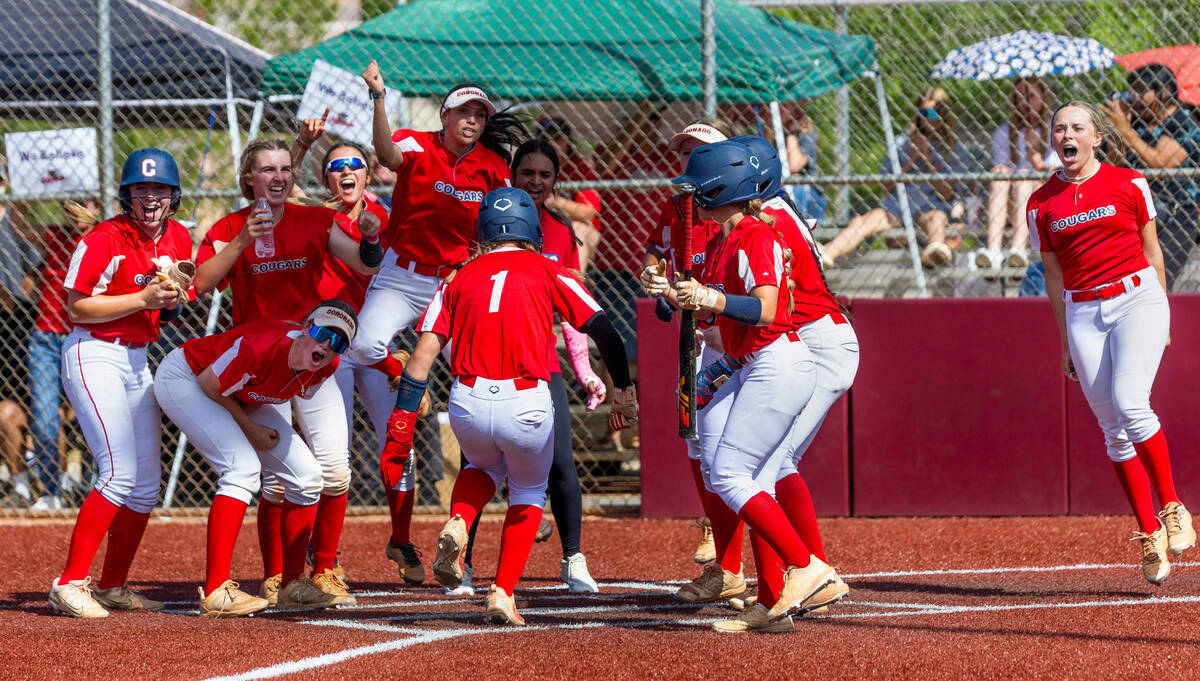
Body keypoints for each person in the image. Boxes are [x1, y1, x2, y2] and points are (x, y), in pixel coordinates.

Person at [383, 187, 638, 625]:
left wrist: (404, 416)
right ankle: (502, 592)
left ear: (483, 231)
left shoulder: (457, 276)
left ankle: (461, 518)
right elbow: (604, 329)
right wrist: (622, 388)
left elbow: (422, 356)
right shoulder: (549, 269)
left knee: (480, 469)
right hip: (527, 399)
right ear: (532, 229)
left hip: (468, 400)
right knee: (526, 491)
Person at [647, 141, 838, 632]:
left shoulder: (756, 234)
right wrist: (671, 291)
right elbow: (713, 314)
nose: (690, 199)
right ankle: (773, 605)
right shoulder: (721, 240)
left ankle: (807, 566)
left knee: (731, 472)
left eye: (698, 189)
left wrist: (707, 294)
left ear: (720, 185)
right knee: (730, 470)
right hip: (749, 363)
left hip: (778, 362)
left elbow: (766, 308)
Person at [194, 137, 383, 607]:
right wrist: (240, 241)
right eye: (266, 169)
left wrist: (373, 235)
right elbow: (199, 285)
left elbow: (362, 261)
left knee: (336, 470)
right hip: (262, 367)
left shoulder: (315, 219)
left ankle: (323, 573)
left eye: (284, 168)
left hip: (315, 362)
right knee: (279, 480)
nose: (277, 176)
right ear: (248, 179)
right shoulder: (228, 227)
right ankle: (278, 577)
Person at [353, 61, 521, 584]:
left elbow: (503, 223)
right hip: (402, 275)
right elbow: (385, 155)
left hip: (453, 283)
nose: (471, 119)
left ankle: (517, 486)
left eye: (479, 113)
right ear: (444, 115)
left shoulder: (493, 165)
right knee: (363, 347)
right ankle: (403, 368)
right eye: (463, 111)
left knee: (480, 378)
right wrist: (379, 98)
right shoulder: (419, 144)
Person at [1029, 101, 1195, 585]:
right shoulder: (1041, 201)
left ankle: (1171, 506)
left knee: (1129, 401)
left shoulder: (1128, 182)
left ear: (1097, 137)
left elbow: (1152, 249)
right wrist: (1065, 340)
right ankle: (1149, 533)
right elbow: (1053, 275)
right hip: (1083, 310)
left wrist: (1161, 311)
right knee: (1112, 428)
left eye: (1077, 127)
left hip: (1137, 297)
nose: (1067, 134)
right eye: (1060, 127)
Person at [452, 139, 609, 596]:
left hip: (540, 365)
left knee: (562, 463)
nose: (536, 182)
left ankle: (572, 558)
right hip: (485, 363)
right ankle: (462, 564)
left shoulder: (561, 233)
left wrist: (584, 370)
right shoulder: (488, 225)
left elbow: (574, 311)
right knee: (474, 466)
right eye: (528, 173)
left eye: (545, 175)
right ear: (512, 177)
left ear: (555, 181)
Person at [48, 148, 194, 618]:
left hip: (136, 359)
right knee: (118, 472)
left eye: (158, 189)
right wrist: (142, 297)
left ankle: (112, 586)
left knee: (146, 485)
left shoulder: (179, 237)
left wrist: (167, 300)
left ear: (174, 195)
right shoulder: (104, 237)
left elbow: (168, 313)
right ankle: (69, 583)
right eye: (140, 188)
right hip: (93, 353)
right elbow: (76, 308)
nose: (149, 197)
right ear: (126, 194)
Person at [155, 301, 358, 616]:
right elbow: (211, 384)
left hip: (230, 391)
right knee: (242, 469)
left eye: (338, 342)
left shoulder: (325, 367)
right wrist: (249, 429)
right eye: (321, 333)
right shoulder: (261, 346)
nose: (326, 346)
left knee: (307, 477)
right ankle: (216, 590)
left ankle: (293, 587)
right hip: (188, 377)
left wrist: (255, 427)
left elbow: (257, 391)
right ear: (305, 327)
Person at [639, 119, 747, 594]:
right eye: (683, 152)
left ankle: (788, 563)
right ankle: (726, 559)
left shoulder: (740, 211)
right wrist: (656, 282)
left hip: (746, 344)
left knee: (749, 456)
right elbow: (656, 256)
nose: (687, 160)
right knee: (700, 445)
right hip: (704, 341)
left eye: (698, 151)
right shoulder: (678, 208)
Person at [822, 88, 969, 268]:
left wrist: (928, 158)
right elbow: (887, 187)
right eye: (923, 112)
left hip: (930, 206)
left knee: (936, 219)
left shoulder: (952, 149)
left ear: (945, 115)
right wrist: (912, 158)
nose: (928, 117)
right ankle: (826, 255)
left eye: (934, 112)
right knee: (862, 222)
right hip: (897, 206)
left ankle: (935, 253)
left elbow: (946, 194)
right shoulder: (901, 143)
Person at [24, 200, 99, 510]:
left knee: (97, 417)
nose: (79, 211)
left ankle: (103, 489)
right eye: (73, 204)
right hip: (47, 338)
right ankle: (52, 490)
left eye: (88, 203)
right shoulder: (54, 233)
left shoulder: (107, 238)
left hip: (88, 338)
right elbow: (16, 225)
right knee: (43, 420)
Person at [1103, 64, 1200, 291]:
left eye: (1140, 91)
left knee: (1155, 285)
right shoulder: (1135, 121)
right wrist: (1118, 131)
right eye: (1131, 91)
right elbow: (1114, 164)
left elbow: (1161, 163)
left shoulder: (1184, 121)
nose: (1134, 97)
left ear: (1164, 92)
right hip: (1134, 213)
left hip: (1176, 215)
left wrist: (1125, 130)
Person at [976, 77, 1060, 270]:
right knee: (1001, 174)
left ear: (1042, 98)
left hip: (1043, 201)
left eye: (1031, 96)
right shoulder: (1004, 132)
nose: (1025, 103)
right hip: (1011, 202)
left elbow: (1054, 174)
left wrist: (1033, 152)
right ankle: (994, 252)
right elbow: (1001, 167)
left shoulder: (1054, 129)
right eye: (1019, 97)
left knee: (1023, 178)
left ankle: (1018, 250)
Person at [538, 116, 602, 272]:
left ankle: (573, 285)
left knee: (578, 228)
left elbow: (589, 212)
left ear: (567, 142)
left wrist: (558, 202)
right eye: (546, 138)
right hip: (544, 228)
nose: (552, 143)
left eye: (557, 138)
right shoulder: (533, 167)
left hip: (581, 233)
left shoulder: (578, 167)